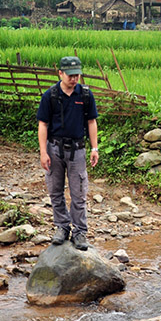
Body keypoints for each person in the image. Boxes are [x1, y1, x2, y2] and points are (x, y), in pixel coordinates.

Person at [37, 56, 99, 250]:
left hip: (78, 150)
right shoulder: (50, 95)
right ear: (60, 73)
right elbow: (43, 124)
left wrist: (94, 148)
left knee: (79, 193)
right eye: (70, 75)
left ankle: (80, 231)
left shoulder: (85, 95)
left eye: (77, 75)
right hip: (54, 149)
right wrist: (43, 152)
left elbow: (91, 122)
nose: (74, 79)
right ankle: (62, 227)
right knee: (55, 191)